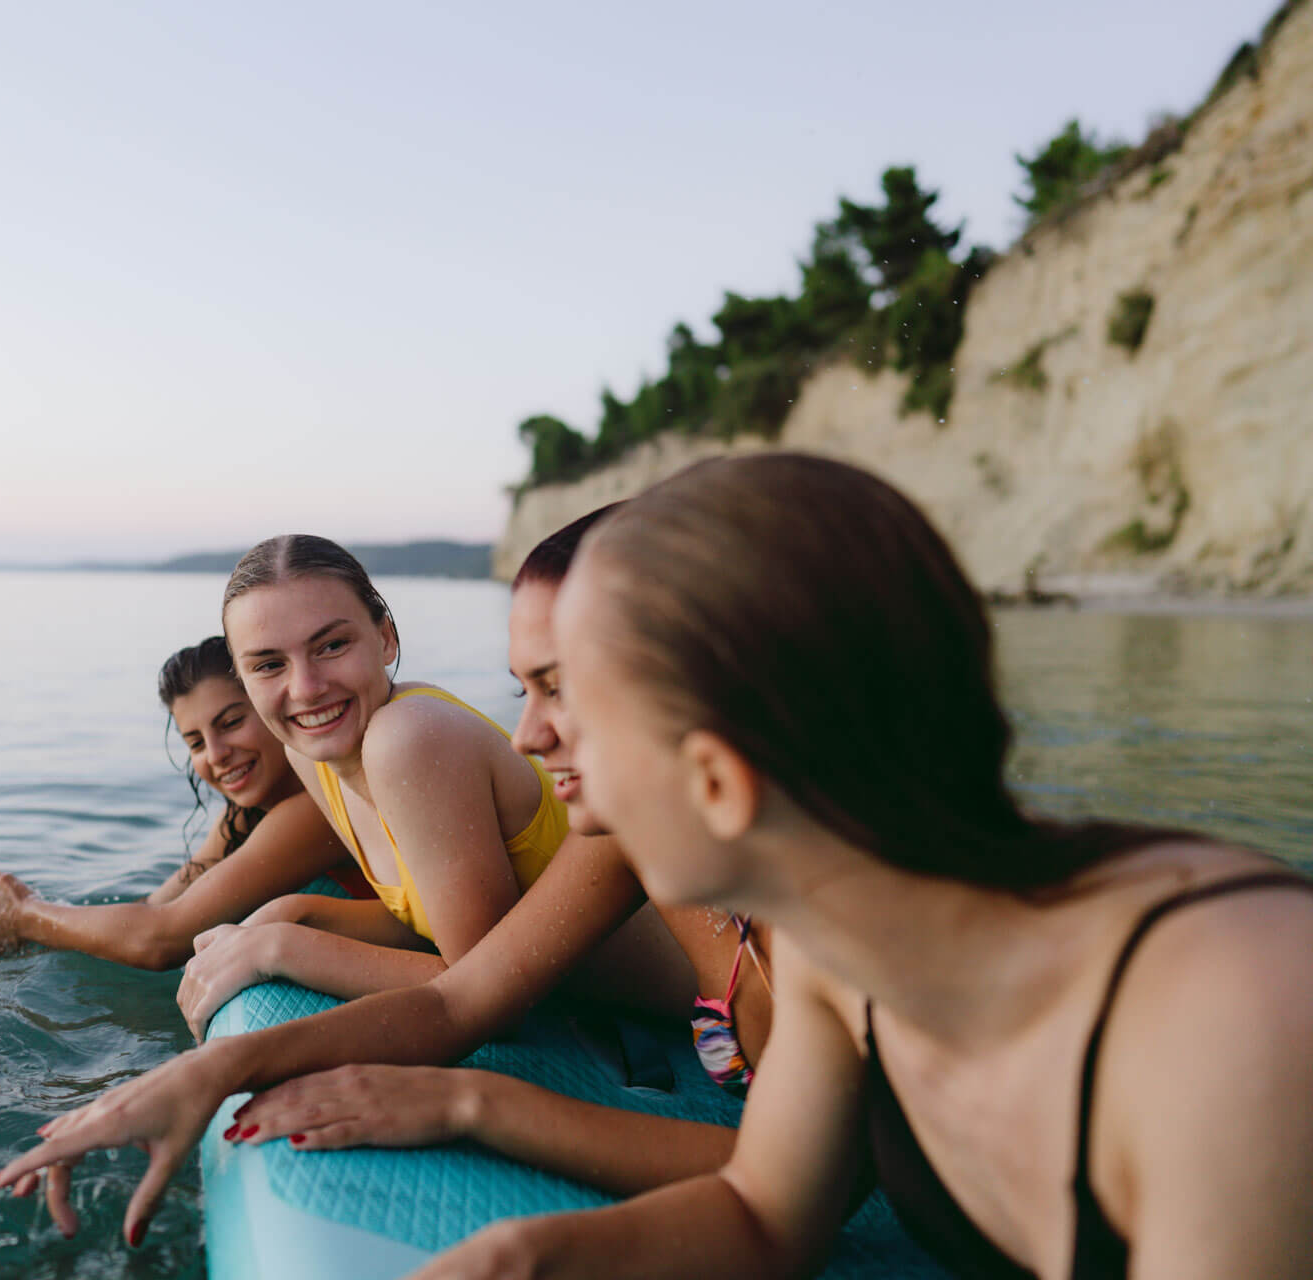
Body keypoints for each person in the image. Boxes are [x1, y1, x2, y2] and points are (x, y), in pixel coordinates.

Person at [403, 453, 1313, 1278]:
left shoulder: (1236, 1006)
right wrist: (522, 1259)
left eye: (578, 699)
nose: (529, 738)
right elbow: (762, 1213)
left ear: (717, 777)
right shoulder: (836, 942)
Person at [0, 518, 781, 1246]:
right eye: (523, 692)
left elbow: (805, 1185)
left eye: (558, 690)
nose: (529, 735)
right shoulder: (615, 835)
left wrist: (473, 1107)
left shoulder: (414, 740)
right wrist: (211, 1065)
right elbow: (458, 998)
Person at [170, 533, 692, 1042]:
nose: (305, 688)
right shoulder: (309, 754)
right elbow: (435, 923)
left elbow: (485, 996)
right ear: (242, 678)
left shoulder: (409, 737)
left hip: (714, 1003)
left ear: (386, 638)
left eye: (331, 645)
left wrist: (279, 947)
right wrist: (293, 912)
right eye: (268, 665)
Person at [0, 636, 361, 971]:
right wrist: (36, 923)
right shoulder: (243, 816)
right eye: (194, 742)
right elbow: (154, 909)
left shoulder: (314, 809)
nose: (214, 755)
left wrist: (26, 918)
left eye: (231, 723)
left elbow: (162, 940)